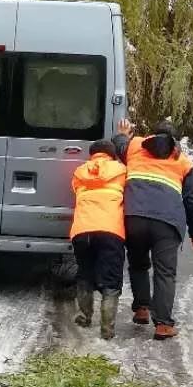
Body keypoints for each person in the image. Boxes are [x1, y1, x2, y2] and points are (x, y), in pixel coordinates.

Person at [114, 119, 193, 341]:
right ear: (175, 140)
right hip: (167, 222)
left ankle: (142, 309)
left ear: (152, 136)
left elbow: (119, 147)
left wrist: (122, 134)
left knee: (138, 264)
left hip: (134, 216)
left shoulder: (135, 145)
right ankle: (163, 325)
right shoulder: (184, 162)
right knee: (165, 272)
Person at [70, 140, 127, 340]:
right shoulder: (121, 170)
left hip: (82, 230)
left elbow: (75, 190)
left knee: (85, 273)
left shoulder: (79, 171)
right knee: (111, 281)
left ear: (91, 155)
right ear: (112, 155)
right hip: (111, 230)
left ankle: (85, 317)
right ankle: (107, 329)